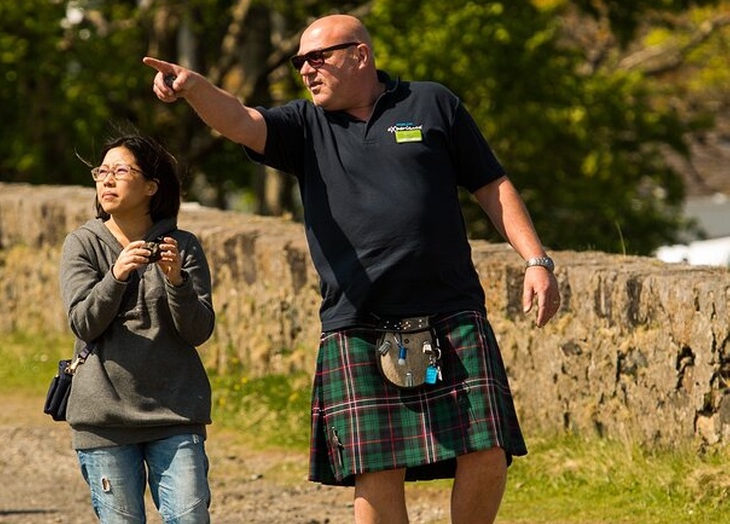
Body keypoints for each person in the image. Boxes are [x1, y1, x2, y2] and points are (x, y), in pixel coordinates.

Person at [144, 13, 560, 524]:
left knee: (486, 449)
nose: (305, 70)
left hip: (451, 310)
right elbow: (240, 121)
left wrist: (536, 260)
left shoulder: (432, 103)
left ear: (359, 55)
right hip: (359, 322)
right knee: (377, 466)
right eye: (299, 62)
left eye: (316, 58)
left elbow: (492, 185)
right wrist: (193, 88)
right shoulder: (304, 125)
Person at [59, 130, 215, 524]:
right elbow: (83, 322)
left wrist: (177, 281)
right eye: (101, 171)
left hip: (176, 412)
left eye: (120, 171)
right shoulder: (82, 244)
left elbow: (198, 331)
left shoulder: (183, 246)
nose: (106, 180)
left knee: (189, 519)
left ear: (150, 186)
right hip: (104, 418)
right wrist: (116, 275)